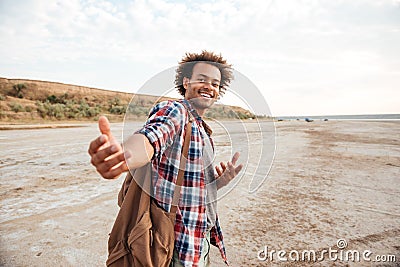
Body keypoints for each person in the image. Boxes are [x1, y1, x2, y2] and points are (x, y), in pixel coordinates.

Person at [88, 50, 243, 267]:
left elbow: (192, 190)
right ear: (186, 82)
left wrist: (220, 182)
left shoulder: (203, 130)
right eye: (202, 79)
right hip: (174, 244)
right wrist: (126, 155)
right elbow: (152, 137)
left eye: (215, 83)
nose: (209, 86)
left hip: (200, 239)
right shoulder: (176, 111)